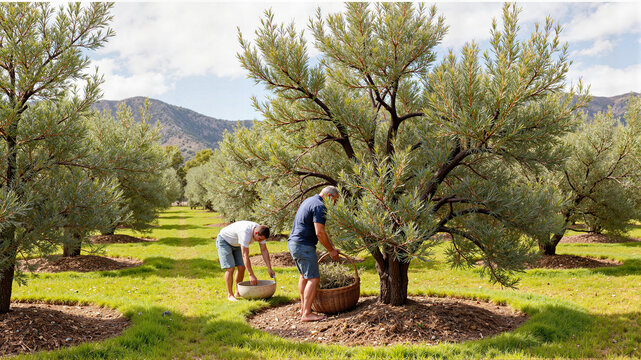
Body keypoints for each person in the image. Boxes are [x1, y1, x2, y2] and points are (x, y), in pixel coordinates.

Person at [288, 186, 340, 321]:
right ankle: (307, 313)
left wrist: (332, 246)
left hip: (294, 243)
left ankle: (303, 308)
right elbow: (319, 232)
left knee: (304, 276)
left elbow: (321, 231)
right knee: (313, 278)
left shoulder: (310, 200)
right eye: (335, 200)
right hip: (304, 245)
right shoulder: (319, 206)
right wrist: (330, 250)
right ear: (329, 196)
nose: (334, 204)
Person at [216, 221, 275, 301]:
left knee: (242, 267)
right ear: (256, 232)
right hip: (224, 240)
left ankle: (238, 292)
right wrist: (251, 274)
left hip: (237, 243)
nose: (259, 241)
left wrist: (269, 268)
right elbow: (245, 255)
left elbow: (264, 250)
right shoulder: (245, 232)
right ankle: (230, 295)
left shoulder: (261, 231)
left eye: (262, 240)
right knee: (230, 268)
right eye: (259, 239)